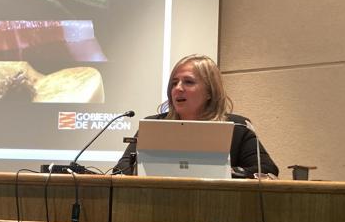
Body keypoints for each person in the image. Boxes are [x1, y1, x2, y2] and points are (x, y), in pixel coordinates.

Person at [114, 55, 277, 177]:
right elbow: (120, 170)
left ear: (209, 91)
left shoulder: (237, 127)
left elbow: (267, 170)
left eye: (188, 82)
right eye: (174, 83)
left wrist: (221, 173)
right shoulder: (152, 125)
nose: (178, 88)